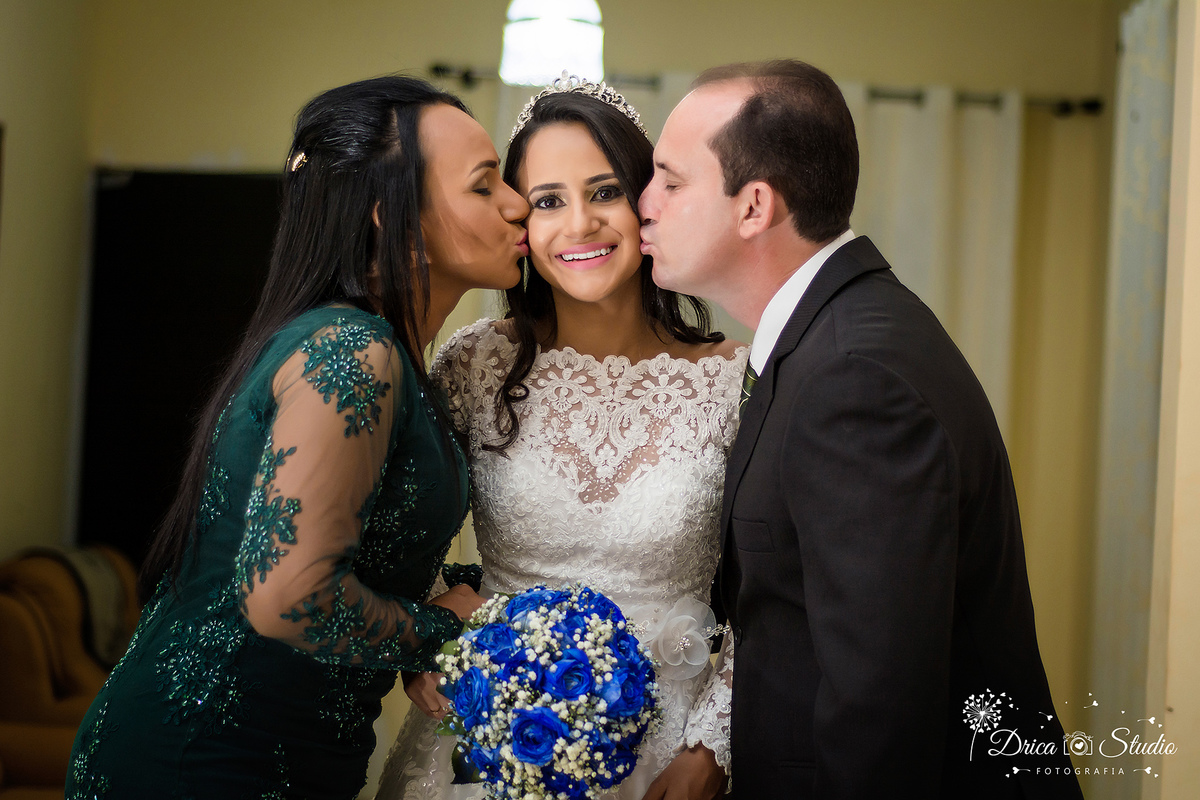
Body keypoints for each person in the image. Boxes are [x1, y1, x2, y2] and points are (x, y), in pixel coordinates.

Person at [66, 75, 529, 799]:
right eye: (483, 185)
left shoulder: (389, 355)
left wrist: (461, 591)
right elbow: (289, 595)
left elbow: (364, 554)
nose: (517, 203)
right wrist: (438, 631)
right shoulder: (351, 349)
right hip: (206, 763)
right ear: (390, 216)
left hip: (285, 757)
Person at [638, 60, 1084, 798]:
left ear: (753, 207)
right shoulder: (829, 340)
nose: (643, 204)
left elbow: (881, 710)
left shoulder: (854, 378)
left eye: (670, 181)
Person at [376, 76, 742, 800]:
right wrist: (428, 622)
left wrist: (713, 744)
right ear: (520, 221)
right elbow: (395, 523)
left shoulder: (734, 382)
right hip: (489, 735)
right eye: (547, 201)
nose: (580, 224)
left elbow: (779, 590)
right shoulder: (474, 365)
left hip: (671, 752)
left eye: (605, 192)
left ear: (645, 201)